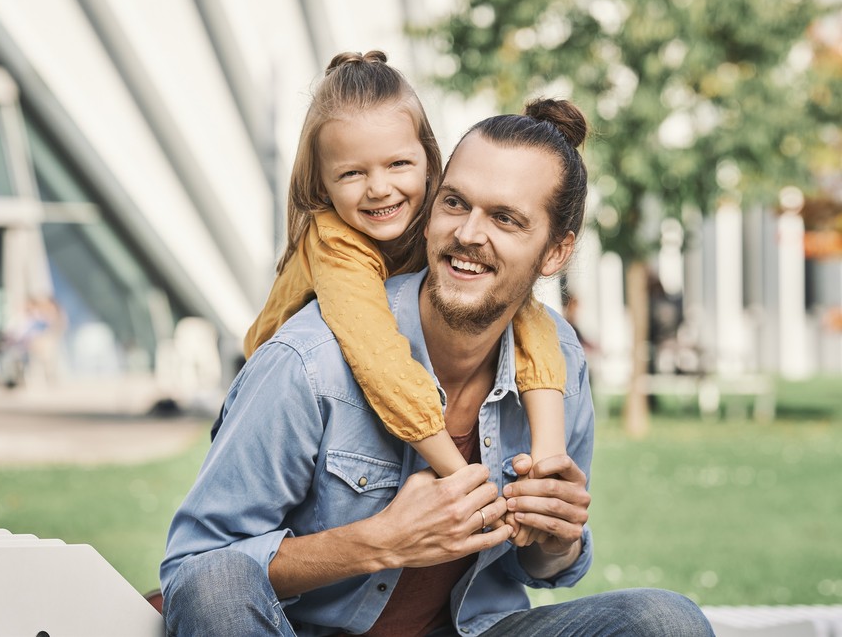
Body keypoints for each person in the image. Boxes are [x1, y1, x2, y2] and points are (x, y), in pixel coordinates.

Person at [159, 98, 714, 636]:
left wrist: (556, 540)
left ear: (554, 254)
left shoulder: (559, 360)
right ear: (428, 213)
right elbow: (197, 570)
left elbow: (542, 569)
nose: (469, 233)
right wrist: (380, 541)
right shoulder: (309, 361)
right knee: (215, 584)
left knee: (667, 623)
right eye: (455, 203)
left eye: (505, 218)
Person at [243, 51, 567, 504]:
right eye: (352, 173)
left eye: (398, 165)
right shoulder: (336, 242)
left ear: (428, 161)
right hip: (280, 417)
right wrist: (467, 482)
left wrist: (550, 458)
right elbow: (379, 361)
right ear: (322, 186)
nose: (379, 188)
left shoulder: (437, 218)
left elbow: (524, 311)